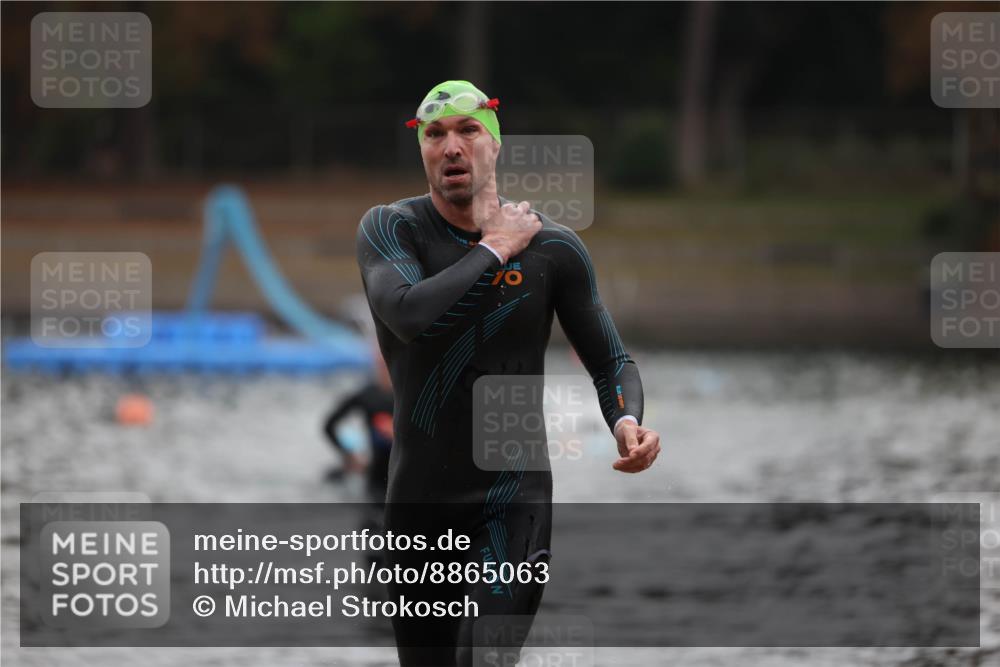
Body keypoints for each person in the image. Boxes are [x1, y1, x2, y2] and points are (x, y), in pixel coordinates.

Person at [356, 80, 661, 667]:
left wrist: (626, 420)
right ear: (420, 148)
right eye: (435, 134)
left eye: (469, 131)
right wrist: (494, 249)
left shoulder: (554, 250)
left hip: (512, 499)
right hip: (420, 504)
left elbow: (611, 360)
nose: (452, 146)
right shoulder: (390, 229)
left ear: (495, 145)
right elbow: (408, 314)